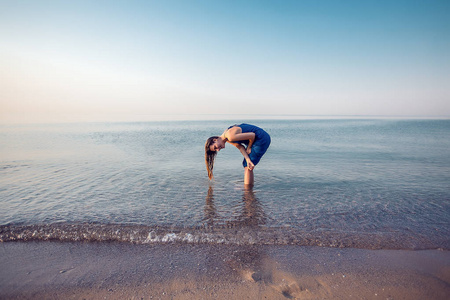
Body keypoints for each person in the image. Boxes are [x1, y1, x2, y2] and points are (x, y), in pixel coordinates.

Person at [205, 123, 271, 186]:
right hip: (255, 139)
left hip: (261, 138)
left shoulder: (230, 136)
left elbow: (252, 135)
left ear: (215, 140)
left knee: (248, 167)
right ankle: (248, 189)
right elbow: (240, 147)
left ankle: (248, 193)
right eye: (216, 150)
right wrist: (247, 159)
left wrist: (249, 147)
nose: (218, 150)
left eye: (215, 147)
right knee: (247, 163)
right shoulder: (227, 138)